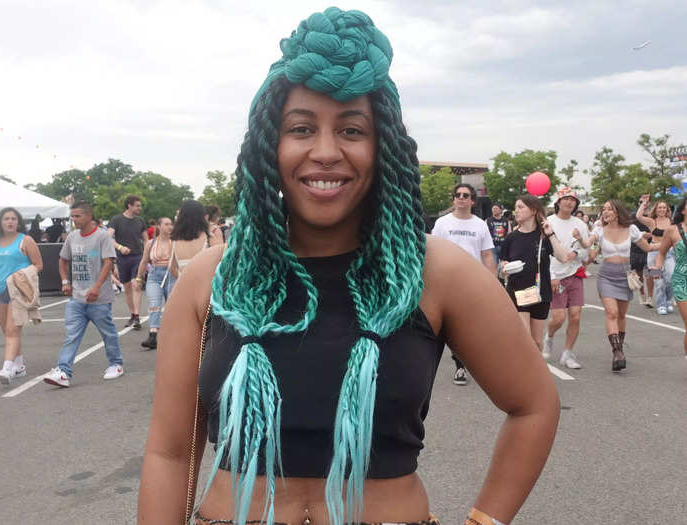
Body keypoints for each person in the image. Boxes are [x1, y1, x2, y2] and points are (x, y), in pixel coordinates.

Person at [138, 9, 560, 525]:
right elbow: (170, 452)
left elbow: (534, 404)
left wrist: (485, 520)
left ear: (382, 146)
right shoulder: (212, 278)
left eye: (352, 130)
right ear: (270, 146)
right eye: (300, 128)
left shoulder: (438, 274)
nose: (325, 152)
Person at [42, 202, 124, 387]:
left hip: (99, 299)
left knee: (108, 333)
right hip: (77, 299)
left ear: (89, 216)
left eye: (77, 216)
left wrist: (96, 287)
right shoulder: (72, 237)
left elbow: (108, 262)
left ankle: (116, 364)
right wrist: (65, 281)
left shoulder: (102, 236)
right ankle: (63, 371)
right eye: (72, 216)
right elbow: (62, 261)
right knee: (71, 335)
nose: (74, 219)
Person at [575, 200, 657, 371]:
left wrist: (669, 242)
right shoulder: (599, 230)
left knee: (621, 315)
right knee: (611, 313)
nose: (605, 212)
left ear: (617, 212)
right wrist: (580, 239)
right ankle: (617, 352)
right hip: (606, 275)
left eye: (609, 209)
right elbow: (587, 244)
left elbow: (648, 247)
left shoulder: (631, 230)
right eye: (603, 209)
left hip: (625, 276)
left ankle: (619, 347)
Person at [432, 182, 496, 385]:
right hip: (445, 281)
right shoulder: (442, 223)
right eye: (458, 194)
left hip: (472, 282)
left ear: (472, 201)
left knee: (466, 325)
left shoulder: (480, 224)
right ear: (453, 199)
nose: (461, 197)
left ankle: (462, 364)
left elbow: (487, 254)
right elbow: (433, 251)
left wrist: (492, 282)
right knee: (445, 325)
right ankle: (456, 365)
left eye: (465, 195)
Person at [500, 195, 571, 351]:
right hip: (518, 291)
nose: (516, 211)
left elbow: (563, 257)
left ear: (533, 210)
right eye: (516, 207)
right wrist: (505, 268)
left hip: (540, 292)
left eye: (521, 207)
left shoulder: (544, 236)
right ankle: (523, 373)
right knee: (524, 337)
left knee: (537, 342)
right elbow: (502, 267)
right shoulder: (511, 238)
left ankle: (535, 373)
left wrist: (551, 234)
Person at [0, 207, 43, 384]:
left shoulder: (25, 240)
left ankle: (7, 368)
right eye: (6, 219)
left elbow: (38, 264)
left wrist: (23, 274)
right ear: (0, 222)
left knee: (12, 330)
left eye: (13, 218)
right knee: (7, 331)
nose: (10, 222)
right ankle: (19, 365)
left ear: (18, 222)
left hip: (17, 291)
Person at [543, 187, 590, 369]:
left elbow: (586, 249)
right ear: (558, 202)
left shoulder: (580, 224)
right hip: (555, 275)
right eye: (566, 199)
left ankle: (568, 353)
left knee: (576, 316)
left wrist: (576, 252)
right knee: (558, 318)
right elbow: (544, 253)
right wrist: (552, 275)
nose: (569, 203)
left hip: (575, 273)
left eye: (573, 200)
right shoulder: (549, 223)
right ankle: (550, 336)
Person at [652, 197, 687, 360]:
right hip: (682, 281)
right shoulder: (673, 230)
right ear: (683, 210)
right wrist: (658, 266)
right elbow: (661, 253)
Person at [108, 194, 148, 330]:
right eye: (137, 205)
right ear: (129, 205)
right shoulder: (116, 220)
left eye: (140, 206)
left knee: (135, 284)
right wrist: (120, 247)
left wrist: (148, 255)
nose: (140, 208)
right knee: (127, 289)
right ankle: (133, 314)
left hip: (138, 257)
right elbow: (108, 238)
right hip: (122, 259)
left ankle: (137, 316)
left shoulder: (140, 221)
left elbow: (147, 240)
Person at [134, 217, 175, 350]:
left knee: (172, 306)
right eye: (166, 224)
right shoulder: (150, 243)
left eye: (171, 224)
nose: (170, 227)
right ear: (159, 226)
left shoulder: (176, 242)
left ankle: (172, 335)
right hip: (154, 276)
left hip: (172, 276)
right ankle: (153, 335)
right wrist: (139, 278)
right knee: (154, 305)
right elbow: (144, 261)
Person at [637, 196, 674, 314]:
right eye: (660, 208)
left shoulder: (672, 221)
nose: (662, 209)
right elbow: (638, 216)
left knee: (670, 278)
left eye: (664, 207)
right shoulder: (652, 221)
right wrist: (643, 203)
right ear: (656, 209)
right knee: (658, 281)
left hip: (669, 253)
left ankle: (668, 301)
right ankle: (661, 305)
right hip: (653, 253)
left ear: (667, 209)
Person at [168, 200, 222, 278]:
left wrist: (182, 278)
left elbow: (171, 267)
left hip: (184, 285)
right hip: (206, 286)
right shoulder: (209, 237)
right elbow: (221, 262)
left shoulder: (174, 240)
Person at [630, 212, 651, 305]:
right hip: (636, 251)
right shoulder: (633, 218)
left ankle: (650, 297)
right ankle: (642, 294)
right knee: (640, 275)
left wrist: (649, 235)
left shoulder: (649, 219)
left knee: (650, 274)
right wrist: (642, 235)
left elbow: (654, 233)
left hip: (649, 250)